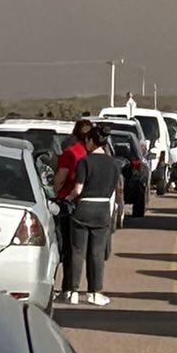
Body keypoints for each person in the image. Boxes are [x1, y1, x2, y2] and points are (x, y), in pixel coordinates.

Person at [63, 130, 121, 308]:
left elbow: (78, 190)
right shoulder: (114, 164)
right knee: (97, 252)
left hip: (84, 208)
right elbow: (116, 190)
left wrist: (67, 200)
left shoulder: (84, 162)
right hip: (103, 208)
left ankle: (72, 291)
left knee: (77, 250)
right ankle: (95, 292)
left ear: (90, 141)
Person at [53, 118, 93, 301]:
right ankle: (81, 288)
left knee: (65, 247)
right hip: (88, 205)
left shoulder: (70, 153)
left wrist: (55, 191)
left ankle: (66, 287)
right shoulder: (93, 154)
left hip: (67, 203)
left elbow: (59, 180)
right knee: (83, 249)